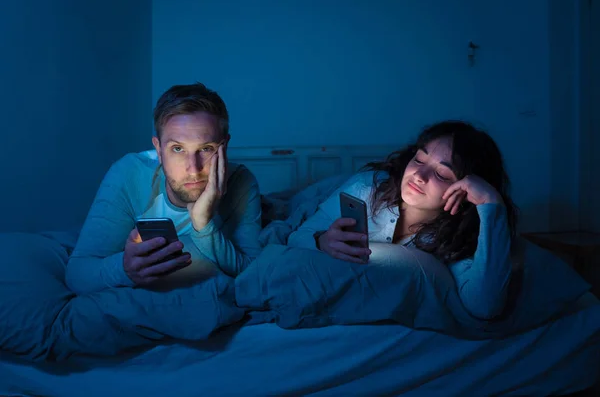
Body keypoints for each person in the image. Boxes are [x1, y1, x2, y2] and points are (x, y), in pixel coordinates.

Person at [287, 120, 518, 320]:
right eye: (419, 160)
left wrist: (491, 204)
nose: (419, 175)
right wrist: (320, 241)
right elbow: (296, 237)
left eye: (441, 174)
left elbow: (486, 306)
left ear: (465, 191)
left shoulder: (454, 237)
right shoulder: (367, 189)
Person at [66, 83, 262, 295]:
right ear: (158, 149)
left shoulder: (241, 181)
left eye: (206, 149)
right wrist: (124, 269)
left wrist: (203, 223)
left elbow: (252, 271)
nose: (193, 169)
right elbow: (78, 274)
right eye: (177, 149)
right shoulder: (129, 174)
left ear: (225, 146)